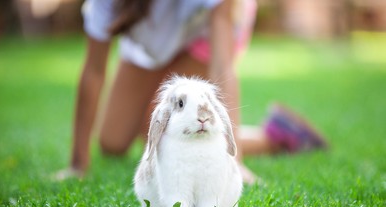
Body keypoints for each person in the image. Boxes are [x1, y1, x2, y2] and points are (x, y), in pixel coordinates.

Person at [55, 0, 327, 184]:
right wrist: (78, 164)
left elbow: (222, 66)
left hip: (207, 30)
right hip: (152, 33)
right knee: (112, 143)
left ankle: (276, 139)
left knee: (166, 129)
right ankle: (274, 133)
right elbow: (94, 72)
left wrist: (234, 164)